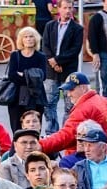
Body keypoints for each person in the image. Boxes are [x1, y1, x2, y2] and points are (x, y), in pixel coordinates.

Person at [38, 72, 107, 157]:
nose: (68, 94)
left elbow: (67, 136)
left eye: (71, 90)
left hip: (90, 161)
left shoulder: (83, 109)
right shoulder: (106, 102)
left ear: (83, 88)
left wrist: (41, 145)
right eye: (67, 91)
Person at [41, 0, 84, 134]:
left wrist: (58, 61)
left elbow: (74, 50)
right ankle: (51, 132)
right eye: (65, 8)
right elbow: (45, 46)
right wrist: (52, 62)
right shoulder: (50, 26)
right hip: (51, 71)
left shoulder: (77, 29)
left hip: (68, 71)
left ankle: (67, 131)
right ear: (59, 9)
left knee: (69, 104)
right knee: (49, 103)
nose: (68, 10)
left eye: (70, 8)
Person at [6, 27, 48, 131]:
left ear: (36, 39)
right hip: (16, 97)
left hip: (35, 97)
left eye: (31, 36)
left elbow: (42, 77)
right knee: (17, 128)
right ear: (21, 40)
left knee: (33, 128)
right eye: (26, 37)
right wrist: (31, 76)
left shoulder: (41, 56)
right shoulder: (15, 55)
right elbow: (12, 76)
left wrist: (23, 74)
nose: (29, 39)